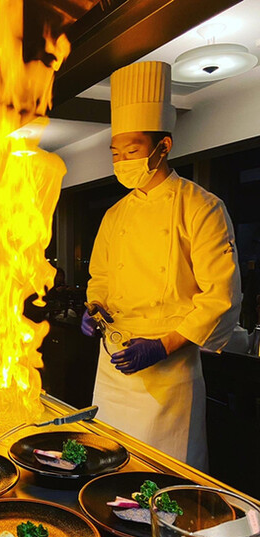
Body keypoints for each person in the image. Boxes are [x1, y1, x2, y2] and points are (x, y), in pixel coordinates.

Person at [82, 61, 241, 471]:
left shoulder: (201, 207)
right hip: (113, 364)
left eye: (132, 152)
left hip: (169, 375)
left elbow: (221, 297)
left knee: (163, 476)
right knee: (107, 467)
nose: (122, 161)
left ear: (163, 146)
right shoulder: (114, 214)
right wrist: (94, 307)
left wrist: (162, 346)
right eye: (116, 154)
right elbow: (101, 277)